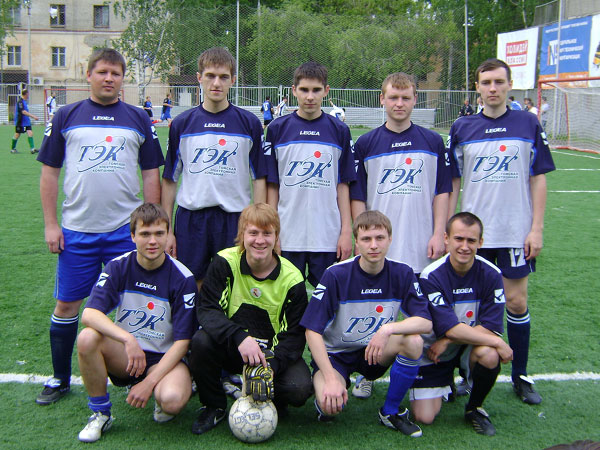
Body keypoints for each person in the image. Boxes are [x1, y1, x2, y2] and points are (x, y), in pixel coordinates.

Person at [36, 47, 163, 406]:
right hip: (77, 231)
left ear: (123, 79)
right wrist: (51, 224)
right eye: (103, 72)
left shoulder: (138, 118)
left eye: (116, 73)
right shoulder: (66, 116)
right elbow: (49, 174)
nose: (109, 78)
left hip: (126, 233)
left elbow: (150, 174)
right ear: (89, 75)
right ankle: (60, 378)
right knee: (67, 305)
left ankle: (146, 372)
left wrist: (152, 227)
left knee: (139, 302)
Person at [448, 58, 555, 405]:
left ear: (510, 85)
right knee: (468, 306)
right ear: (477, 87)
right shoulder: (462, 127)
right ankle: (466, 374)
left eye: (498, 82)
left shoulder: (528, 122)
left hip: (514, 231)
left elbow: (538, 178)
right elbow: (453, 181)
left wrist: (536, 229)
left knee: (516, 302)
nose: (492, 88)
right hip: (472, 237)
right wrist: (447, 231)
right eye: (486, 82)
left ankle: (520, 375)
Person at [350, 72, 450, 398]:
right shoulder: (366, 143)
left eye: (406, 98)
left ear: (415, 100)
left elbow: (442, 191)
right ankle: (368, 372)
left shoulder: (433, 142)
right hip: (379, 248)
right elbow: (357, 196)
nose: (399, 103)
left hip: (421, 244)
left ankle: (424, 373)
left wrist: (439, 232)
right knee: (373, 313)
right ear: (382, 99)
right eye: (393, 97)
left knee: (423, 315)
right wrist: (361, 238)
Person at [301, 210, 432, 437]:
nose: (373, 245)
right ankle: (331, 386)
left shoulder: (402, 272)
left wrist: (387, 329)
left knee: (413, 342)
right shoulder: (336, 275)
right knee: (329, 406)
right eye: (366, 239)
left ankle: (390, 411)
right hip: (337, 355)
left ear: (390, 239)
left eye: (380, 238)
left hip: (375, 351)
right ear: (356, 242)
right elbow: (312, 330)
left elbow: (425, 322)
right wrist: (330, 378)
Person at [76, 203, 197, 442]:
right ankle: (101, 413)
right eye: (144, 234)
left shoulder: (183, 278)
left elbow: (183, 342)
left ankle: (163, 389)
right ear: (133, 236)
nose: (152, 241)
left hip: (164, 358)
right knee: (87, 337)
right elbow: (89, 314)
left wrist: (149, 383)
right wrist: (128, 339)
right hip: (127, 355)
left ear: (168, 235)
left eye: (159, 233)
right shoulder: (118, 266)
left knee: (172, 401)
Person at [188, 203, 312, 435]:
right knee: (201, 342)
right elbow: (207, 309)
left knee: (299, 388)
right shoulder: (225, 262)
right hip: (233, 348)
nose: (260, 240)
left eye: (267, 233)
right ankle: (214, 406)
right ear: (242, 235)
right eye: (253, 233)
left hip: (269, 356)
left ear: (276, 237)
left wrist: (271, 367)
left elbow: (294, 336)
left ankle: (273, 400)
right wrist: (239, 336)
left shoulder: (292, 279)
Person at [161, 47, 266, 292]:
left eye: (223, 77)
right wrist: (167, 230)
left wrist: (258, 224)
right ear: (199, 78)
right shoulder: (182, 124)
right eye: (210, 76)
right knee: (192, 284)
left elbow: (259, 178)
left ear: (233, 80)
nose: (216, 83)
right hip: (191, 219)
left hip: (234, 218)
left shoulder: (249, 123)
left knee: (233, 284)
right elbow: (169, 179)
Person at [410, 212, 513, 436]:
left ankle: (474, 408)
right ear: (446, 239)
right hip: (434, 351)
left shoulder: (492, 273)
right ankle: (445, 382)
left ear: (480, 242)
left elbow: (490, 325)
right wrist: (497, 342)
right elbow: (449, 327)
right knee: (424, 417)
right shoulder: (431, 276)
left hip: (466, 346)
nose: (465, 247)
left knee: (489, 355)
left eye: (471, 240)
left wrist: (449, 339)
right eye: (459, 239)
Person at [265, 62, 355, 288]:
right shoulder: (277, 129)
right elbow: (272, 186)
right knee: (285, 299)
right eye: (304, 90)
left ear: (326, 91)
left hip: (327, 235)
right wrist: (272, 231)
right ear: (294, 90)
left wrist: (346, 231)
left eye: (316, 90)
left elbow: (343, 185)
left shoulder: (339, 130)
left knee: (329, 300)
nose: (310, 96)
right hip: (287, 234)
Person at [11, 89, 39, 154]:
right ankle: (13, 149)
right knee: (17, 134)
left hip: (26, 122)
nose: (28, 95)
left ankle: (32, 149)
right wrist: (33, 116)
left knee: (30, 132)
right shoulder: (20, 102)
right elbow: (23, 112)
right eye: (28, 94)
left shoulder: (24, 102)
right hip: (20, 122)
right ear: (26, 94)